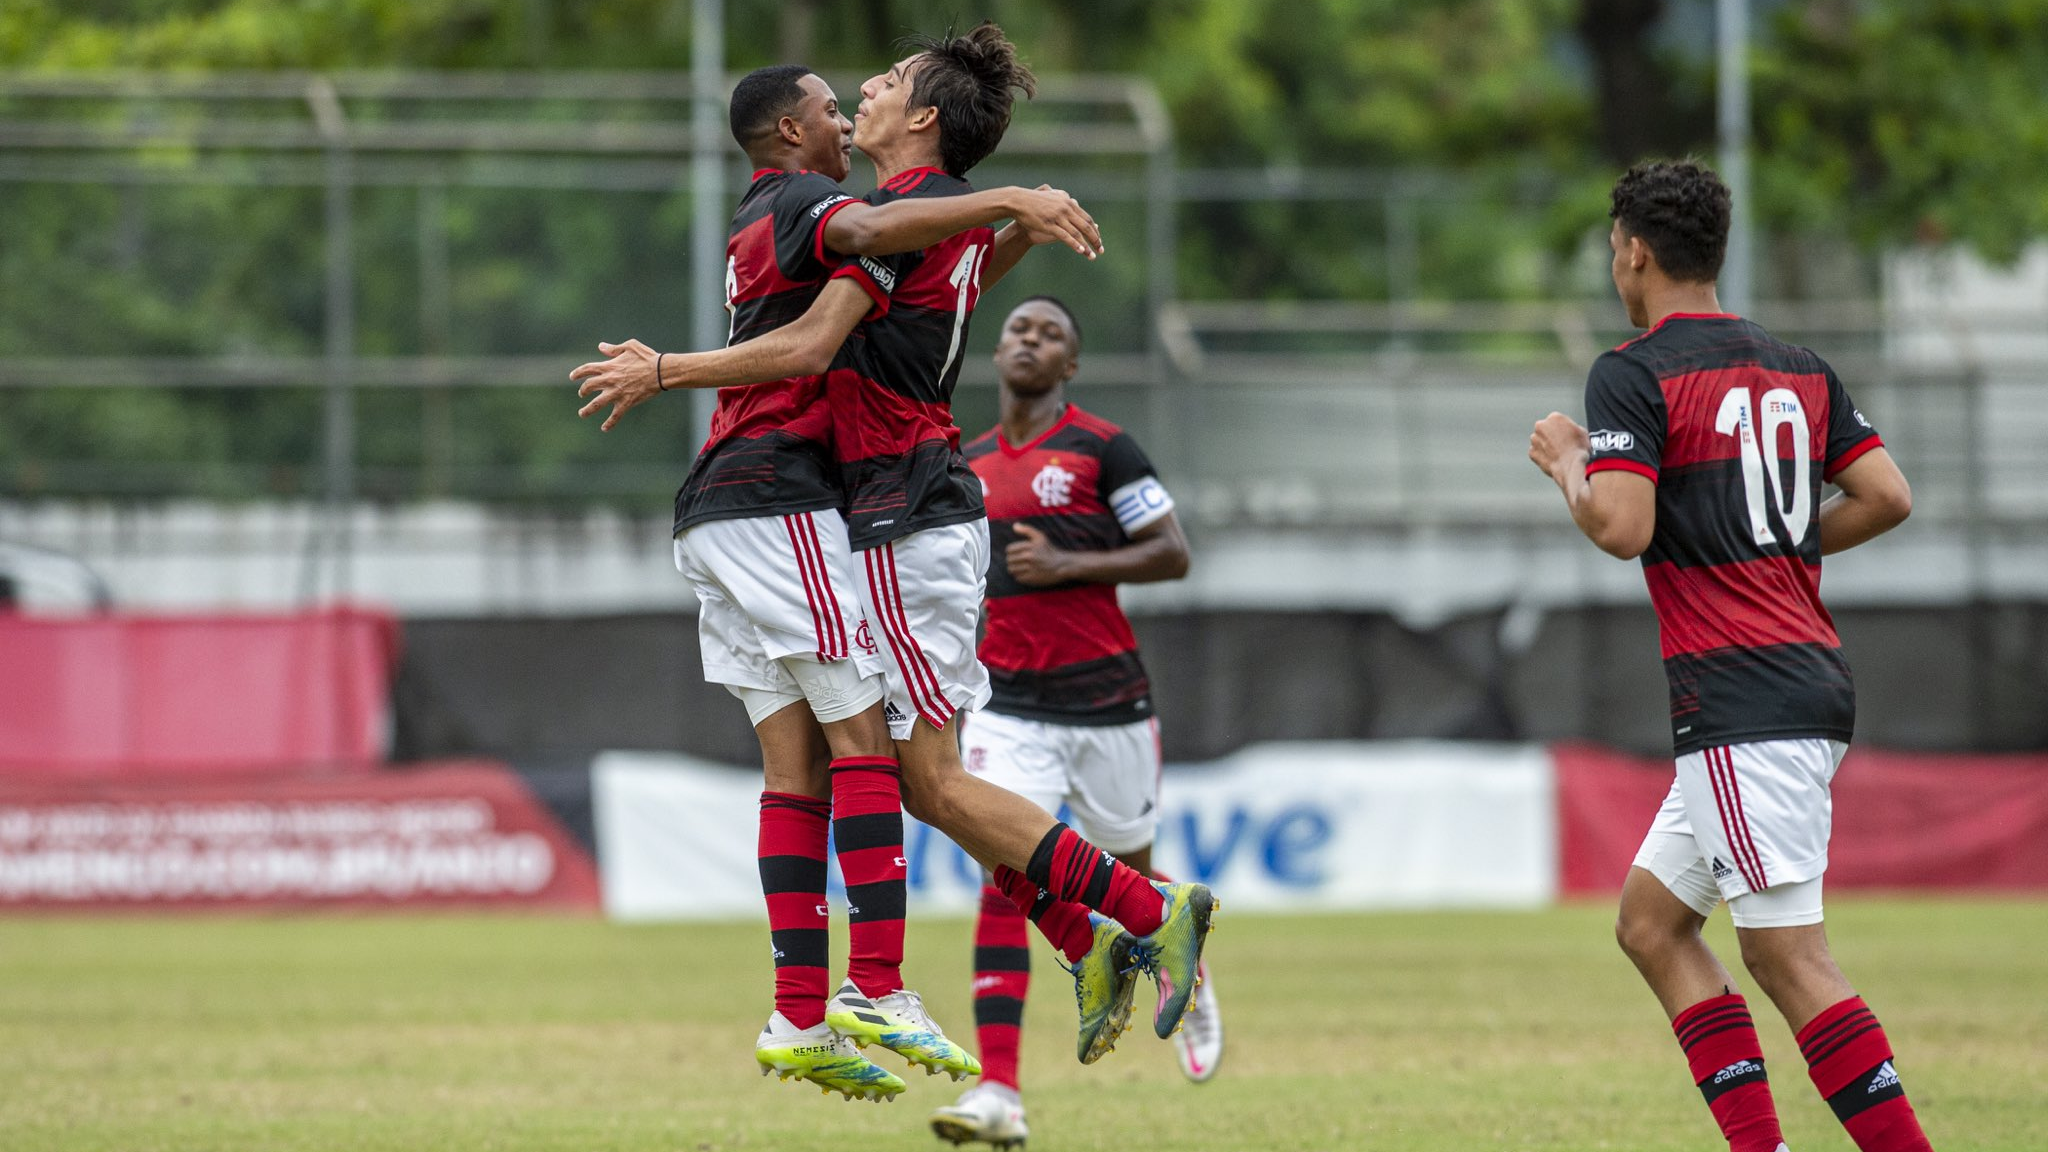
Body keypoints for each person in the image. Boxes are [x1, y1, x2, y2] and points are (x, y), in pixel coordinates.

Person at [573, 22, 1217, 1074]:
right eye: (841, 92)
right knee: (908, 776)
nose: (857, 94)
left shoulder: (879, 218)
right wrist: (1009, 212)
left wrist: (666, 371)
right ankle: (1079, 937)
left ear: (918, 118)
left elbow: (814, 341)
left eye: (876, 85)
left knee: (919, 772)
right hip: (889, 507)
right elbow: (945, 263)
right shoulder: (908, 218)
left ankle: (1139, 914)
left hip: (902, 511)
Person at [1529, 159, 1930, 1152]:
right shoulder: (1796, 364)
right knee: (1650, 927)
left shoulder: (1635, 368)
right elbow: (1886, 495)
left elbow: (1620, 527)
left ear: (1631, 251)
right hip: (1797, 685)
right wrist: (1779, 541)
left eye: (1612, 251)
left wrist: (1567, 464)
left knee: (1787, 957)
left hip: (1740, 698)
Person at [924, 296, 1218, 1147]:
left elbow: (1173, 551)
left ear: (1071, 366)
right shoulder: (967, 460)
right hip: (1009, 704)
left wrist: (1065, 563)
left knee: (1135, 880)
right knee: (1000, 864)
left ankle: (1188, 980)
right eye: (1018, 327)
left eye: (1052, 332)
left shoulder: (1103, 448)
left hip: (1109, 701)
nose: (1030, 339)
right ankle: (1000, 1092)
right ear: (997, 349)